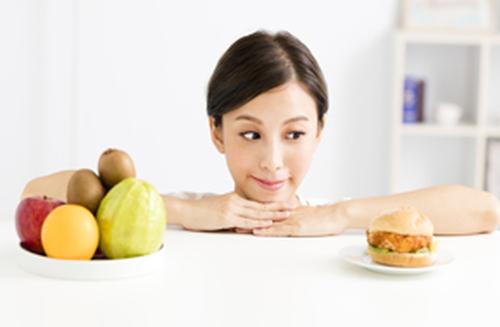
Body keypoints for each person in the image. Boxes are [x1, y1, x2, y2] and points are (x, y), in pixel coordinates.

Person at [22, 30, 499, 236]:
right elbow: (36, 192)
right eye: (251, 135)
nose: (273, 160)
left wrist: (340, 215)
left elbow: (483, 210)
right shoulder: (177, 214)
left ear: (320, 132)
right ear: (217, 132)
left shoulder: (333, 221)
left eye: (294, 135)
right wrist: (189, 211)